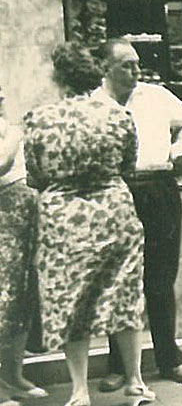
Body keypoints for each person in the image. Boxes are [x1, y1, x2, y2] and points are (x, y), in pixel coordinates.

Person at [21, 44, 152, 406]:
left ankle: (80, 391)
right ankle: (136, 383)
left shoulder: (39, 119)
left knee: (71, 301)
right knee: (125, 296)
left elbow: (35, 176)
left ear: (58, 77)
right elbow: (128, 166)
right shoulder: (117, 116)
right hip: (115, 212)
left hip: (64, 221)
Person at [93, 38, 182, 389]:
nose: (135, 71)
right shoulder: (91, 102)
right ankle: (119, 366)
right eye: (127, 65)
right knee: (116, 278)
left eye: (137, 64)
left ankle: (169, 358)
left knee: (160, 276)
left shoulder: (155, 96)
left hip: (158, 186)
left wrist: (181, 150)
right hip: (114, 189)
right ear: (105, 68)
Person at [0, 86, 47, 406]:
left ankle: (13, 375)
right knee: (3, 300)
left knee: (23, 298)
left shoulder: (8, 126)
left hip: (25, 219)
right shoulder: (11, 132)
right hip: (4, 217)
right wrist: (16, 139)